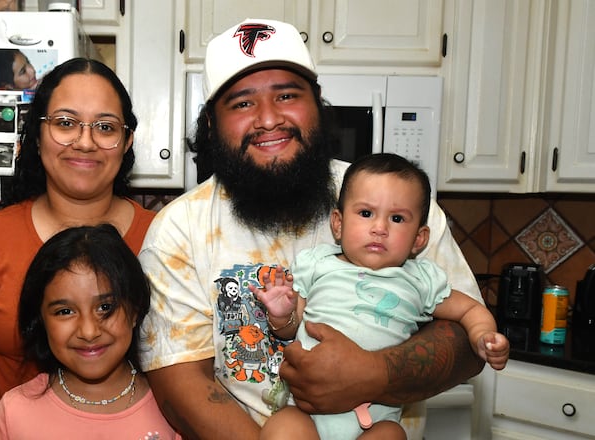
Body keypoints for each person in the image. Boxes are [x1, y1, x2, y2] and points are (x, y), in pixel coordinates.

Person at [138, 18, 485, 439]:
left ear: (318, 105)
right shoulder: (179, 230)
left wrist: (374, 373)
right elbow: (180, 384)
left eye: (287, 95)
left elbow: (468, 344)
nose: (269, 119)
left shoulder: (394, 207)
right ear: (212, 124)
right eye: (242, 103)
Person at [0, 57, 156, 439]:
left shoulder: (166, 240)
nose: (85, 142)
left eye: (105, 127)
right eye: (66, 123)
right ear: (36, 136)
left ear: (126, 141)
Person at [254, 153, 509, 440]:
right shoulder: (318, 264)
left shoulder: (421, 279)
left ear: (419, 239)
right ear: (338, 224)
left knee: (392, 435)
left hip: (375, 420)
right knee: (281, 429)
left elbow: (468, 310)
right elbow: (292, 325)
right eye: (366, 213)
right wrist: (281, 314)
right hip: (305, 413)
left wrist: (483, 335)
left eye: (397, 218)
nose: (380, 228)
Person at [0, 225, 179, 439]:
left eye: (105, 307)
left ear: (135, 310)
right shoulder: (15, 412)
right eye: (65, 311)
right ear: (41, 320)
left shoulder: (177, 408)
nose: (89, 332)